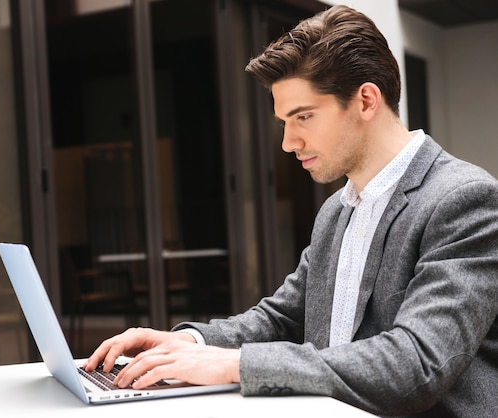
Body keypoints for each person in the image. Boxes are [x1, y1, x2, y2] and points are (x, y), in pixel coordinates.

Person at [84, 5, 498, 416]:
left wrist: (234, 366)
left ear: (366, 100)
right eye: (285, 121)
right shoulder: (338, 210)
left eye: (304, 117)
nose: (288, 142)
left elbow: (416, 364)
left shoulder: (464, 200)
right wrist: (190, 343)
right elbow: (282, 317)